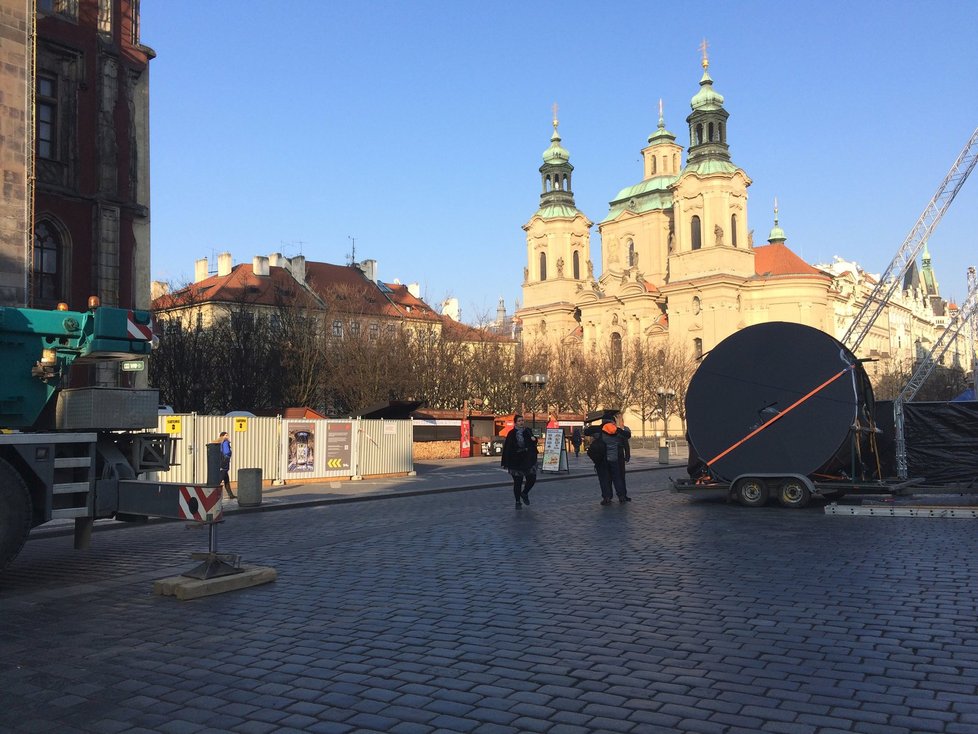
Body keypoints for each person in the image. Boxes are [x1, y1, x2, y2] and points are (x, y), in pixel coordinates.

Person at [584, 413, 632, 505]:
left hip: (602, 459)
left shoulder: (598, 431)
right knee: (618, 478)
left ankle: (607, 498)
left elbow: (586, 432)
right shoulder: (617, 431)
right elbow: (627, 435)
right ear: (613, 421)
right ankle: (621, 496)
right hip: (614, 459)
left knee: (604, 479)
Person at [500, 415, 538, 509]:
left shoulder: (527, 431)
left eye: (522, 420)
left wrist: (534, 439)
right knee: (518, 482)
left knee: (532, 478)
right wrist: (507, 461)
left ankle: (524, 493)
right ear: (515, 422)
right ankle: (517, 501)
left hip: (527, 459)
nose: (521, 422)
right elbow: (508, 448)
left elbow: (533, 442)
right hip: (516, 461)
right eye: (519, 421)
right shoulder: (511, 433)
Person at [218, 431, 235, 500]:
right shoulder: (225, 442)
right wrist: (229, 453)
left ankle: (231, 495)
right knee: (220, 478)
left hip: (221, 461)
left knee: (226, 479)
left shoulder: (220, 442)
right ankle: (212, 491)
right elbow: (227, 451)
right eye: (226, 435)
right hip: (225, 461)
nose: (227, 436)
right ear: (223, 436)